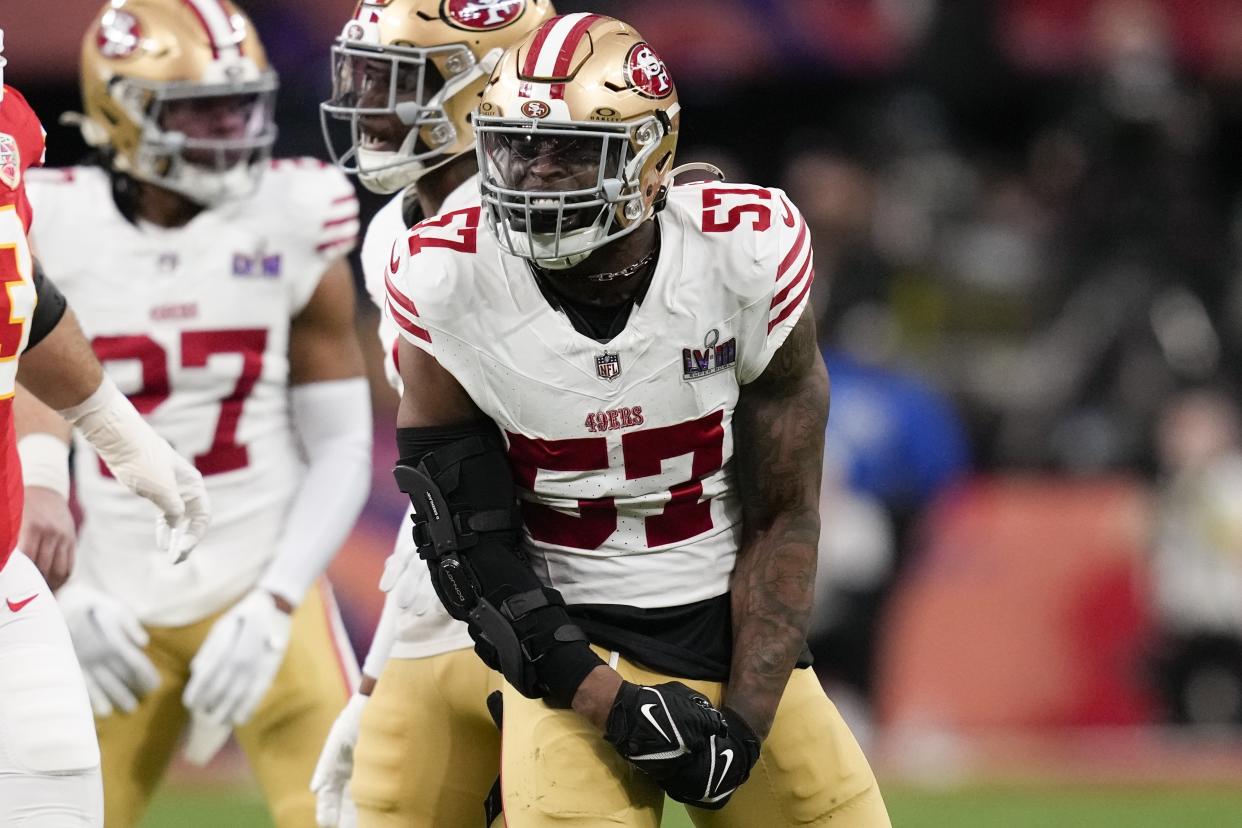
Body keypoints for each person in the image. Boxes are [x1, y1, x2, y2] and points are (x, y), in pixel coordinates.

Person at [380, 13, 891, 827]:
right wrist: (610, 702)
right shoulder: (449, 276)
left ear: (649, 158)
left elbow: (785, 515)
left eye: (573, 149)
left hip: (728, 620)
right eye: (519, 147)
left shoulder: (742, 252)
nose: (538, 176)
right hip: (572, 647)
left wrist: (744, 725)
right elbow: (469, 551)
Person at [17, 1, 372, 825]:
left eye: (240, 103)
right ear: (120, 111)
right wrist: (63, 592)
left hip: (262, 575)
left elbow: (345, 444)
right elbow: (19, 394)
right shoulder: (50, 216)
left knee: (349, 816)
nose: (232, 128)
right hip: (105, 589)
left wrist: (277, 599)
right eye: (198, 109)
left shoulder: (296, 212)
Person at [312, 2, 555, 825]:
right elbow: (442, 487)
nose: (371, 108)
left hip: (582, 593)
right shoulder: (393, 231)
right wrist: (377, 672)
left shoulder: (554, 231)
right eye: (366, 79)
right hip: (450, 594)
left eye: (400, 83)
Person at [0, 29, 211, 827]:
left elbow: (20, 292)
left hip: (0, 574)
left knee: (57, 789)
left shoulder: (8, 133)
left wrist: (117, 431)